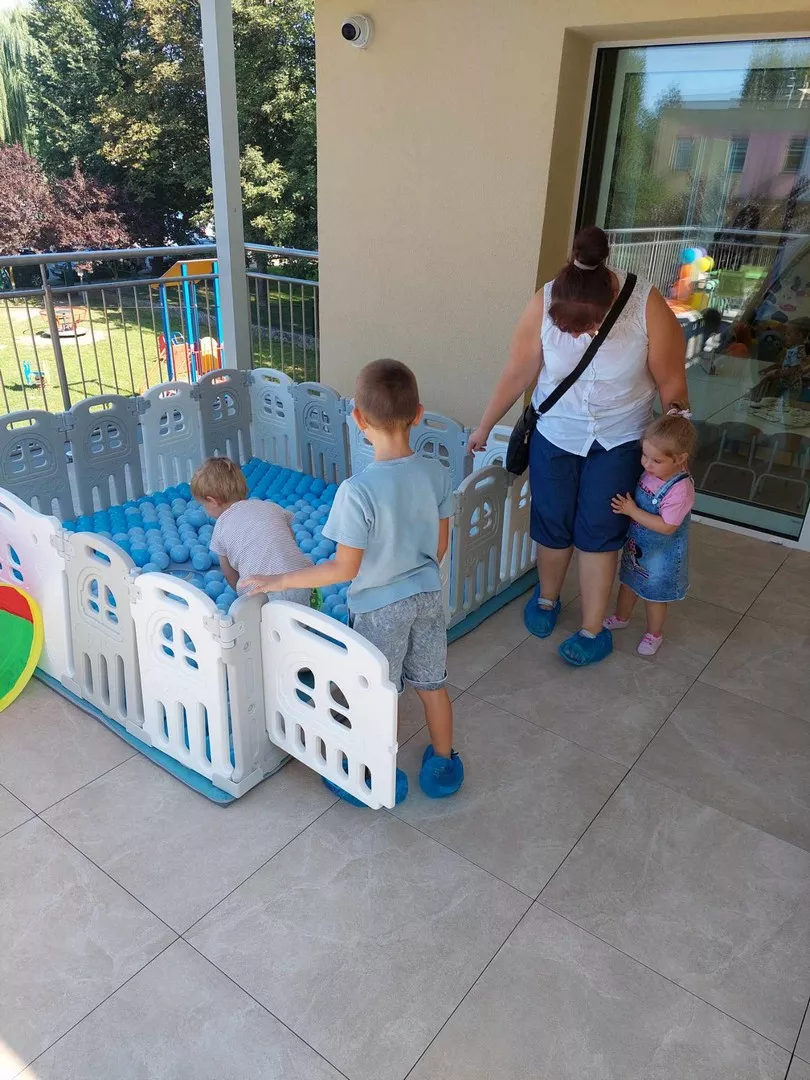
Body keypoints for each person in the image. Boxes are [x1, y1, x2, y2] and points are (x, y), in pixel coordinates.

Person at [242, 359, 464, 804]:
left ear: (358, 419)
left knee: (376, 693)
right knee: (432, 684)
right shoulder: (437, 474)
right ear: (419, 414)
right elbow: (440, 547)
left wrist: (279, 579)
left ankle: (371, 771)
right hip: (427, 596)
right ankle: (444, 761)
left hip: (379, 609)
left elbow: (343, 569)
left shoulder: (356, 490)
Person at [468, 225, 688, 666]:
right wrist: (484, 426)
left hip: (620, 440)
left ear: (609, 301)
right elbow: (518, 371)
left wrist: (677, 453)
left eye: (588, 327)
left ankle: (592, 629)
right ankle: (546, 598)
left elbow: (672, 383)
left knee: (598, 532)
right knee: (552, 522)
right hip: (556, 434)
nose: (578, 337)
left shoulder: (646, 306)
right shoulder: (545, 299)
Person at [604, 409, 697, 656]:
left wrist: (632, 511)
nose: (647, 464)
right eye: (645, 456)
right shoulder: (652, 471)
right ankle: (621, 616)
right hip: (638, 546)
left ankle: (654, 633)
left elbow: (667, 527)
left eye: (656, 460)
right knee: (628, 582)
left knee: (654, 595)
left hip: (662, 555)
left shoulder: (680, 490)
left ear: (680, 459)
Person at [190, 456, 312, 605]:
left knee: (264, 614)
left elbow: (229, 574)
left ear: (212, 501)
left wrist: (241, 594)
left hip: (265, 597)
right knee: (299, 612)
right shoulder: (269, 506)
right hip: (302, 580)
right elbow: (290, 539)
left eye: (204, 505)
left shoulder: (221, 526)